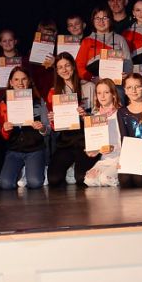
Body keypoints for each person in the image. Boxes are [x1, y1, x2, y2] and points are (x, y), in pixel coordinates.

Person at [0, 67, 50, 190]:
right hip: (14, 150)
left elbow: (47, 129)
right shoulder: (3, 103)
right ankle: (22, 170)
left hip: (34, 149)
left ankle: (33, 169)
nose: (20, 83)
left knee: (35, 183)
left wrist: (41, 128)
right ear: (10, 82)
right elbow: (2, 134)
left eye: (24, 79)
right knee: (5, 184)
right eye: (16, 79)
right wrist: (5, 129)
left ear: (29, 81)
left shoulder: (39, 101)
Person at [45, 52, 90, 186]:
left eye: (67, 65)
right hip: (66, 141)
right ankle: (70, 166)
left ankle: (78, 167)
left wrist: (86, 117)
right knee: (54, 179)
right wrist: (53, 120)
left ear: (74, 66)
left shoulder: (88, 86)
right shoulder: (53, 92)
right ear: (57, 71)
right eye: (60, 67)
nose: (64, 70)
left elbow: (98, 117)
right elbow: (54, 127)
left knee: (82, 178)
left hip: (85, 140)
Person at [75, 7, 132, 87]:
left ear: (110, 20)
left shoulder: (120, 39)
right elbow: (79, 66)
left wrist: (125, 74)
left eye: (105, 18)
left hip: (115, 85)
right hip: (91, 84)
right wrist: (92, 78)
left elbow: (128, 63)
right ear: (93, 21)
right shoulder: (87, 41)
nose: (101, 21)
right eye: (97, 18)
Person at [83, 79, 122, 187]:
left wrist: (113, 148)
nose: (102, 96)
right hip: (104, 160)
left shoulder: (120, 114)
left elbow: (125, 141)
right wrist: (92, 151)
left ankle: (121, 176)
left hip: (119, 158)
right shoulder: (95, 117)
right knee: (89, 180)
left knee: (105, 179)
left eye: (106, 92)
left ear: (113, 94)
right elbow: (94, 145)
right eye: (99, 93)